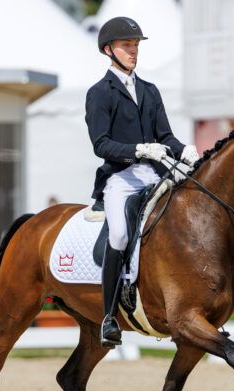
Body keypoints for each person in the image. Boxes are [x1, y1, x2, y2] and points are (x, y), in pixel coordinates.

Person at [85, 16, 199, 348]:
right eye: (126, 46)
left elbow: (166, 137)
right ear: (109, 49)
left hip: (155, 174)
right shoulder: (99, 94)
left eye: (135, 46)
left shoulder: (149, 91)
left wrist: (187, 152)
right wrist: (137, 150)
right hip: (121, 177)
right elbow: (100, 144)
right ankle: (108, 317)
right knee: (119, 233)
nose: (133, 51)